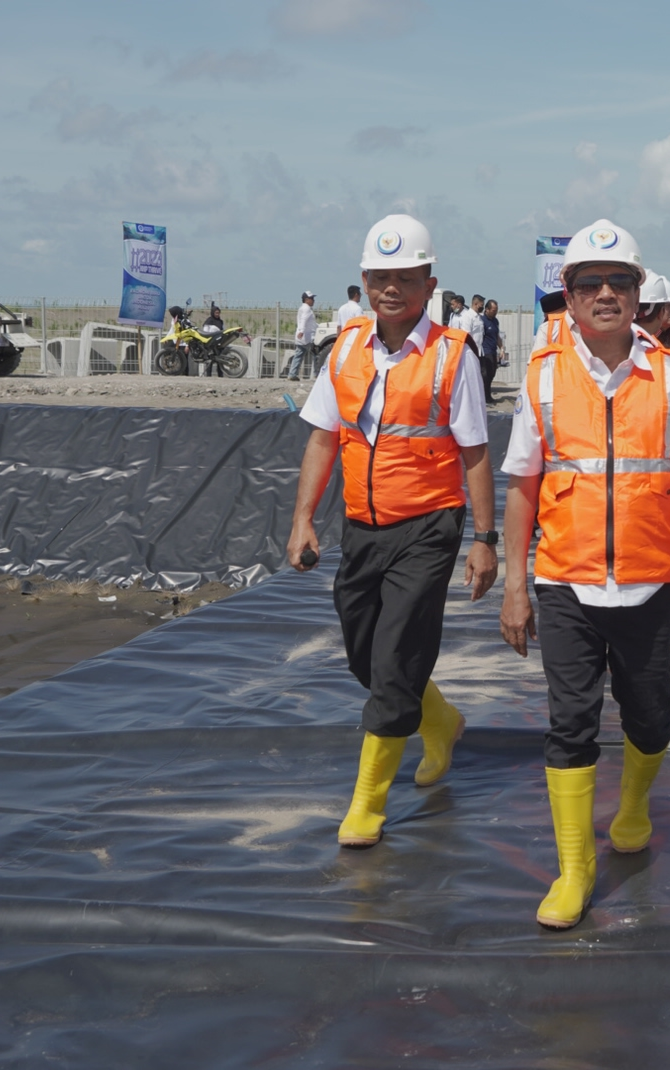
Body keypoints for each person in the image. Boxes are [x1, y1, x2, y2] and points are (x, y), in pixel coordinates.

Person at [499, 218, 670, 931]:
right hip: (565, 581)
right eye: (588, 282)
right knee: (571, 724)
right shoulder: (543, 377)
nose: (604, 294)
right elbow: (524, 488)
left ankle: (633, 805)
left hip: (650, 582)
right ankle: (575, 869)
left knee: (651, 719)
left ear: (636, 290)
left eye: (618, 282)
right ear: (566, 292)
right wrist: (513, 584)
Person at [287, 213, 498, 848]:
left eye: (406, 278)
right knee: (365, 654)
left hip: (428, 526)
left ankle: (367, 806)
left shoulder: (450, 356)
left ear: (429, 284)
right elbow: (325, 437)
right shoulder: (346, 346)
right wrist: (302, 519)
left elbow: (476, 453)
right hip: (362, 527)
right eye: (381, 277)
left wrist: (484, 539)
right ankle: (441, 722)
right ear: (363, 280)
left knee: (399, 653)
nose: (392, 288)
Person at [478, 297, 503, 401]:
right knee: (485, 374)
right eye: (493, 310)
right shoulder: (481, 321)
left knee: (492, 373)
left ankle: (486, 394)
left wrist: (501, 348)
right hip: (485, 351)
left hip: (493, 351)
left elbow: (497, 336)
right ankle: (485, 396)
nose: (495, 312)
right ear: (487, 309)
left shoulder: (495, 321)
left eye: (496, 310)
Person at [290, 290, 317, 379]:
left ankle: (292, 374)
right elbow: (304, 320)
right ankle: (317, 374)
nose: (313, 300)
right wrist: (301, 331)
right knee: (317, 355)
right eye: (311, 298)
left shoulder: (302, 308)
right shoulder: (307, 309)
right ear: (306, 299)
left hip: (302, 336)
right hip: (307, 336)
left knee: (298, 355)